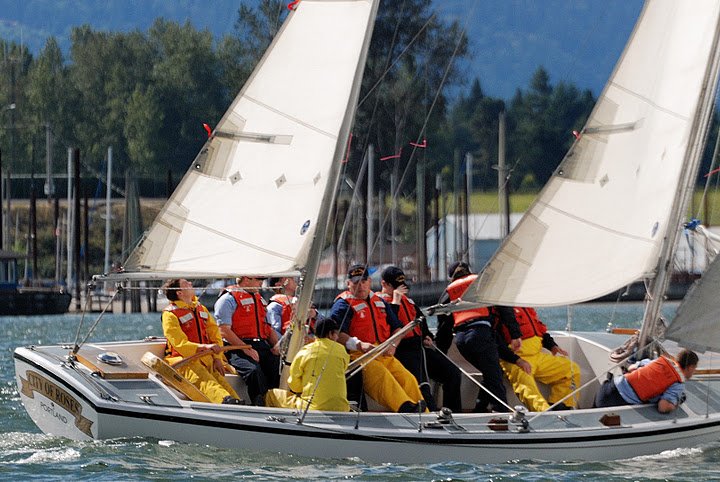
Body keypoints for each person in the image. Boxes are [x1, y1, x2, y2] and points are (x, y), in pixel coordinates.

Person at [330, 264, 426, 413]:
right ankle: (405, 408)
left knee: (408, 378)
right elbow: (337, 333)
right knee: (381, 376)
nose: (360, 286)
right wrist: (359, 344)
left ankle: (423, 412)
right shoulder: (343, 304)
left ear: (369, 282)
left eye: (363, 281)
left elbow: (397, 327)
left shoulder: (379, 301)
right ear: (348, 284)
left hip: (383, 351)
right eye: (355, 282)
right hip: (359, 355)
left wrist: (393, 345)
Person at [436, 261, 522, 412]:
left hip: (462, 340)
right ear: (469, 272)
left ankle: (479, 409)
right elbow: (503, 307)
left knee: (493, 374)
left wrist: (440, 351)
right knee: (494, 377)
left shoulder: (449, 291)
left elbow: (444, 324)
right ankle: (501, 416)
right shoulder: (480, 283)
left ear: (452, 277)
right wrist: (515, 334)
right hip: (480, 334)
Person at [378, 265, 462, 412]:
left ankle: (453, 413)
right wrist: (395, 301)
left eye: (402, 286)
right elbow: (388, 324)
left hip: (419, 347)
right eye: (396, 287)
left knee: (452, 373)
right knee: (421, 384)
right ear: (384, 284)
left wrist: (427, 336)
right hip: (401, 349)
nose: (401, 290)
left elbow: (421, 322)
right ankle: (431, 413)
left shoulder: (409, 302)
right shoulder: (380, 302)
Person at [161, 278, 242, 404]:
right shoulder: (170, 314)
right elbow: (178, 343)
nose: (191, 284)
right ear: (179, 292)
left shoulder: (201, 309)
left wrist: (217, 358)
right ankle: (225, 402)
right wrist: (204, 347)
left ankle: (237, 402)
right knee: (205, 381)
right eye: (186, 284)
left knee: (221, 382)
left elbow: (214, 333)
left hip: (206, 358)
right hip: (183, 361)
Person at [497, 307, 581, 411]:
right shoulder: (497, 309)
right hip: (514, 360)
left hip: (536, 356)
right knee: (527, 387)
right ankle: (543, 412)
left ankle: (561, 408)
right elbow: (496, 341)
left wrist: (552, 345)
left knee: (571, 370)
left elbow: (539, 329)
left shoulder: (525, 307)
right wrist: (516, 360)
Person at [214, 276, 281, 406]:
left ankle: (276, 401)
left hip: (260, 344)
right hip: (236, 347)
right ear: (246, 279)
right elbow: (224, 330)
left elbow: (267, 327)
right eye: (258, 279)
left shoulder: (259, 299)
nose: (261, 283)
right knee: (253, 371)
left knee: (278, 366)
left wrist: (277, 346)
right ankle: (259, 403)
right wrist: (246, 348)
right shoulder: (227, 300)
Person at [265, 317, 350, 411]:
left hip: (312, 408)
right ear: (330, 334)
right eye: (336, 334)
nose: (337, 338)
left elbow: (294, 386)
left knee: (271, 394)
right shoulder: (341, 350)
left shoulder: (305, 352)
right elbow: (343, 368)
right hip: (342, 408)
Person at [594, 348, 698, 413]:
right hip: (616, 403)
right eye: (694, 369)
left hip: (606, 390)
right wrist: (675, 403)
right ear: (690, 367)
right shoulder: (678, 384)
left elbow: (631, 368)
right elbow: (663, 407)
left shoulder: (659, 361)